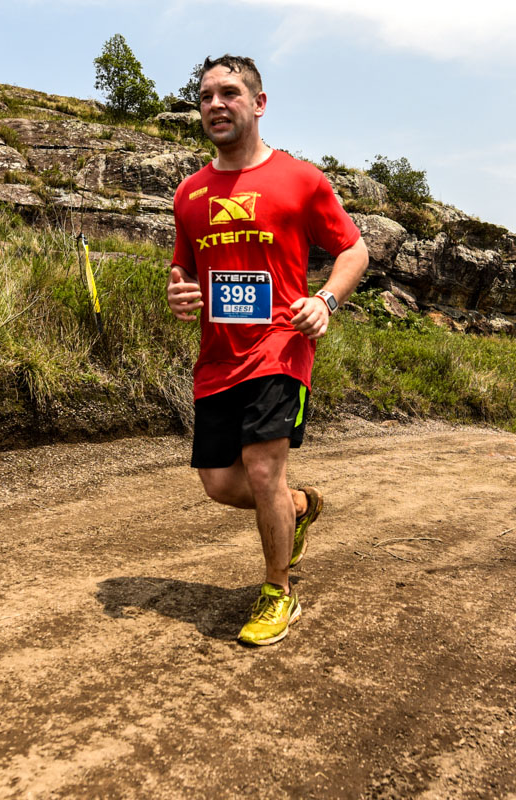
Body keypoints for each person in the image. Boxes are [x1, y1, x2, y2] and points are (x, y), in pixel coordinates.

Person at [166, 55, 369, 646]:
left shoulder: (300, 179)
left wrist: (326, 300)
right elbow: (183, 267)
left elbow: (353, 250)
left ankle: (279, 592)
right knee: (220, 483)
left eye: (229, 93)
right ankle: (298, 506)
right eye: (206, 95)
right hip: (217, 357)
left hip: (281, 347)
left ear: (258, 103)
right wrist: (179, 291)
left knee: (261, 468)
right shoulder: (190, 193)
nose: (215, 104)